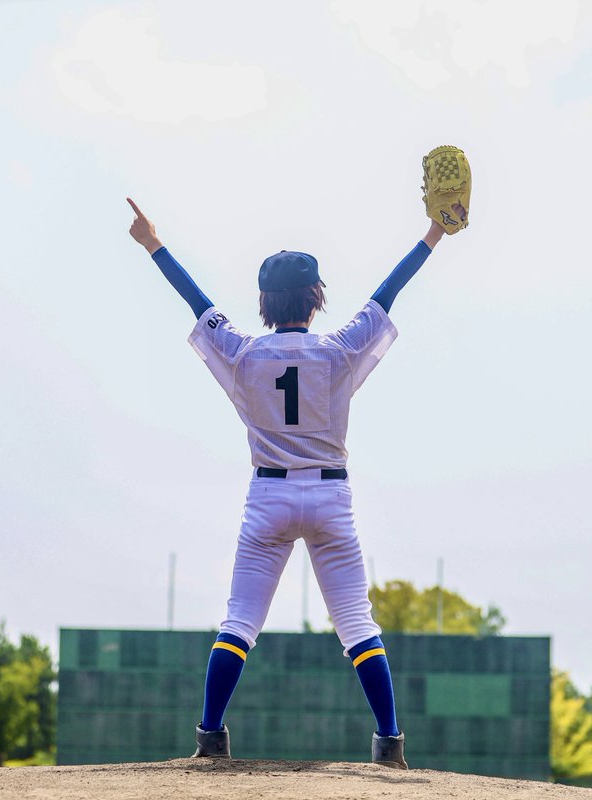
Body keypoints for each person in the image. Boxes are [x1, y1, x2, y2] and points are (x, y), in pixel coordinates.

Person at [126, 195, 463, 769]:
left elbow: (197, 302)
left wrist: (153, 243)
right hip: (331, 495)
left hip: (269, 494)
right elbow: (387, 293)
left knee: (239, 622)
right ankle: (389, 742)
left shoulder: (243, 354)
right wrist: (432, 234)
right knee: (357, 623)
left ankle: (210, 735)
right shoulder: (339, 350)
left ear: (263, 302)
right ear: (316, 297)